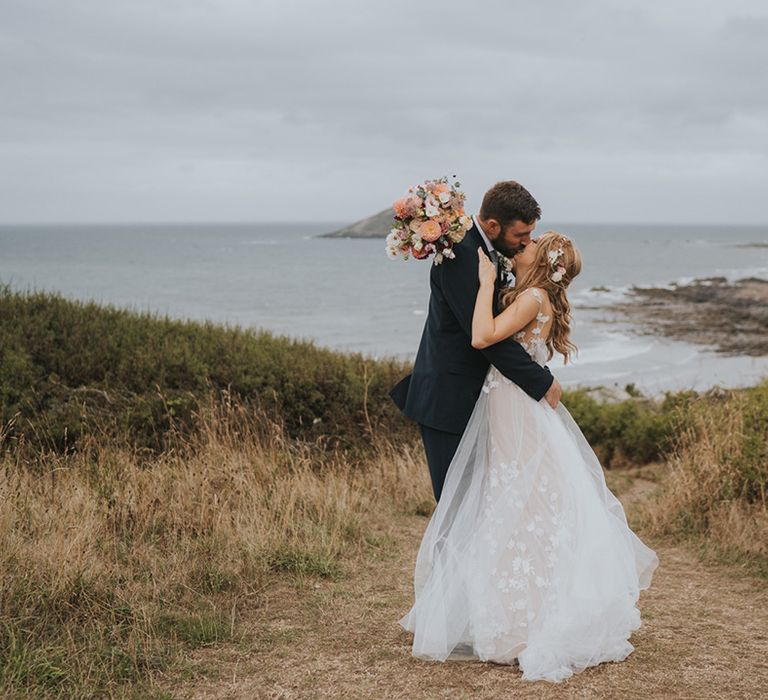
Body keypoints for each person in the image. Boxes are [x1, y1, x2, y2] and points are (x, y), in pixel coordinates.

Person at [397, 230, 659, 682]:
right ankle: (510, 613)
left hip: (515, 409)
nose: (525, 245)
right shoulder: (533, 295)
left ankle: (526, 621)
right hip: (511, 406)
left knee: (520, 506)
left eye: (534, 244)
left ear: (544, 262)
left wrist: (482, 285)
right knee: (516, 504)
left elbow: (482, 336)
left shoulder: (533, 296)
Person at [390, 181, 561, 503]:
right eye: (520, 236)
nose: (527, 243)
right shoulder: (462, 255)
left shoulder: (485, 252)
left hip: (477, 397)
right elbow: (483, 337)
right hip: (449, 399)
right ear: (494, 225)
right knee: (456, 504)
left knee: (479, 504)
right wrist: (541, 381)